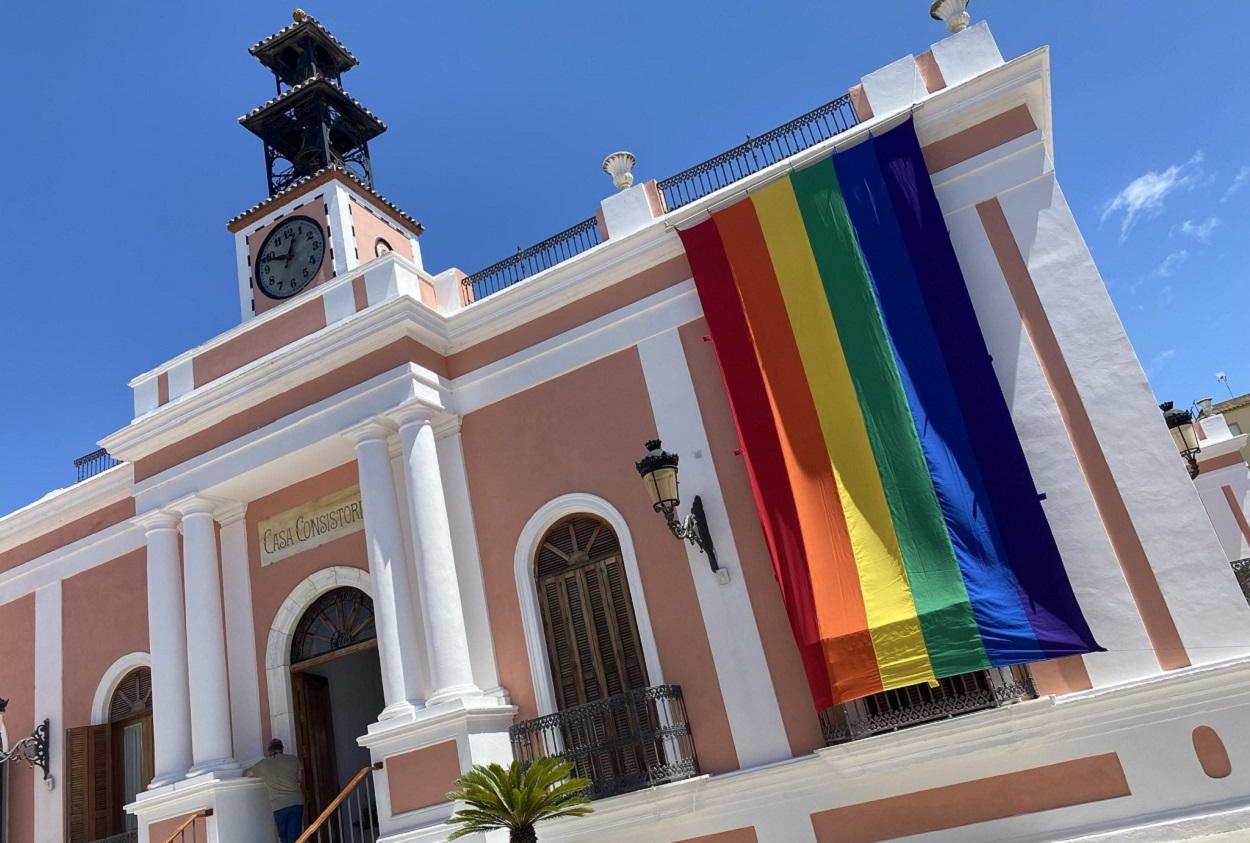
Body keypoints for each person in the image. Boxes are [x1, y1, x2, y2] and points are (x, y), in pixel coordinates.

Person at [245, 738, 304, 843]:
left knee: (284, 837)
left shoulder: (264, 764)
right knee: (295, 836)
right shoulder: (293, 759)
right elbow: (300, 779)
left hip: (278, 805)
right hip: (296, 802)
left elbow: (247, 773)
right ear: (282, 749)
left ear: (269, 751)